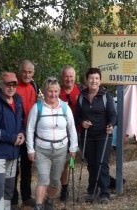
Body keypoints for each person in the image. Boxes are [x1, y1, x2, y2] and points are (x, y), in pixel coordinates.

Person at [26, 77, 78, 210]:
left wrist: (73, 147)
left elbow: (72, 128)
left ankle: (49, 201)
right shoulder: (37, 108)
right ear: (45, 91)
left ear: (59, 91)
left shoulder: (65, 108)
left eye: (56, 91)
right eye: (50, 91)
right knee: (43, 179)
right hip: (42, 149)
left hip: (61, 149)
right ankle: (38, 206)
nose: (53, 94)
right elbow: (30, 129)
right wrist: (30, 149)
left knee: (55, 181)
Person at [0, 72, 25, 210]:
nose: (11, 87)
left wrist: (22, 134)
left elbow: (21, 122)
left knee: (8, 188)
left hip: (13, 152)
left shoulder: (18, 100)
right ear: (1, 85)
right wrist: (13, 138)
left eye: (14, 84)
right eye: (8, 84)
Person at [75, 68, 116, 204]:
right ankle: (92, 190)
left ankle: (104, 192)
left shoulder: (105, 96)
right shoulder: (81, 97)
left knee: (102, 163)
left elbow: (113, 115)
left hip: (103, 135)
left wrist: (111, 124)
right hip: (87, 135)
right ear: (87, 80)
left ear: (100, 80)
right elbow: (77, 116)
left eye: (96, 78)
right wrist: (82, 122)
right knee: (91, 164)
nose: (94, 81)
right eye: (91, 78)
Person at [12, 60, 40, 208]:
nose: (27, 74)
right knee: (13, 168)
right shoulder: (13, 86)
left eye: (30, 72)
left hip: (30, 134)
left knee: (27, 166)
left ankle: (26, 196)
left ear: (33, 73)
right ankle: (13, 198)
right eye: (24, 71)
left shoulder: (35, 86)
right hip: (16, 133)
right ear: (19, 71)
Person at [58, 65, 81, 201]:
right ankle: (64, 189)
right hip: (62, 133)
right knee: (65, 162)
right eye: (66, 76)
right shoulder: (57, 91)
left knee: (86, 159)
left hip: (79, 131)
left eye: (71, 76)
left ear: (75, 77)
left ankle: (97, 184)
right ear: (62, 77)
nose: (69, 79)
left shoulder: (81, 90)